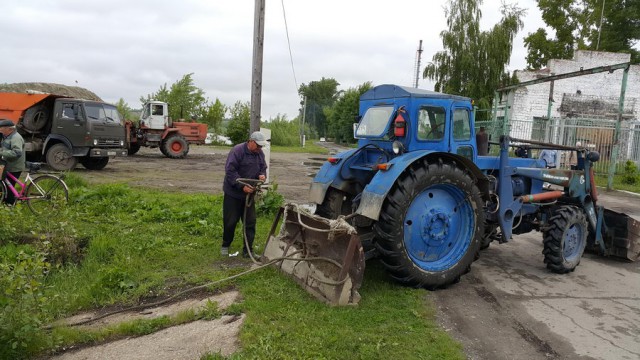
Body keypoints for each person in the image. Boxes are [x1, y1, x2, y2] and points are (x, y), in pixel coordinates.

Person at [221, 131, 268, 258]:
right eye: (258, 146)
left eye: (261, 146)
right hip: (234, 194)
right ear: (251, 141)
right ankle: (225, 245)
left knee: (250, 222)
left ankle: (248, 250)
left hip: (249, 195)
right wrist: (242, 187)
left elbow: (263, 167)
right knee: (230, 221)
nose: (260, 148)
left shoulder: (260, 153)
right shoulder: (237, 151)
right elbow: (230, 171)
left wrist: (262, 175)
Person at [0, 119, 26, 204]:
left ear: (9, 129)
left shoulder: (16, 138)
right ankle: (6, 202)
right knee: (5, 185)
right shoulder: (7, 136)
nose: (0, 130)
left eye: (2, 128)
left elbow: (16, 153)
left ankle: (10, 205)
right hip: (8, 165)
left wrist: (1, 152)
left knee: (9, 187)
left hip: (14, 167)